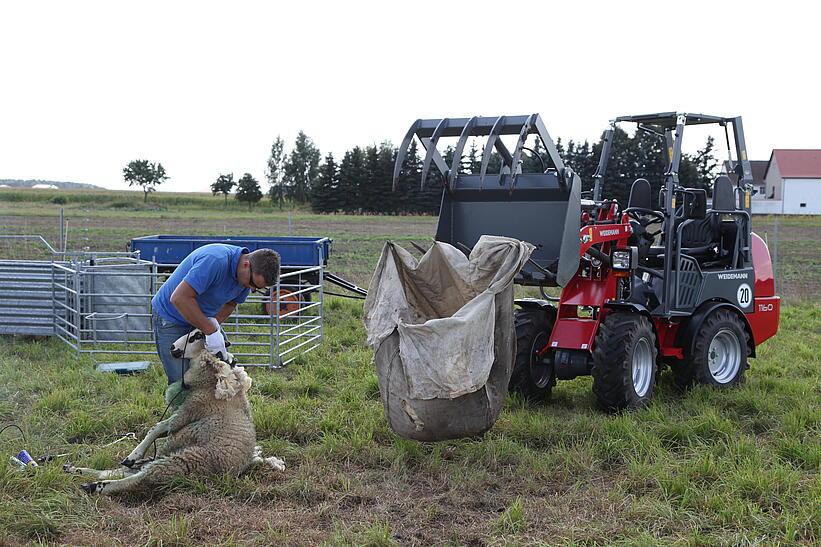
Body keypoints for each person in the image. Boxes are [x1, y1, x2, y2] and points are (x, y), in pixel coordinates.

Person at [151, 244, 280, 384]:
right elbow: (179, 298)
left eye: (257, 287)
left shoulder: (245, 280)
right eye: (252, 283)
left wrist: (214, 324)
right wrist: (210, 331)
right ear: (246, 264)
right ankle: (181, 405)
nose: (251, 289)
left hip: (203, 318)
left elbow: (231, 303)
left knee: (218, 372)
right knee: (182, 381)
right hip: (172, 316)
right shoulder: (215, 260)